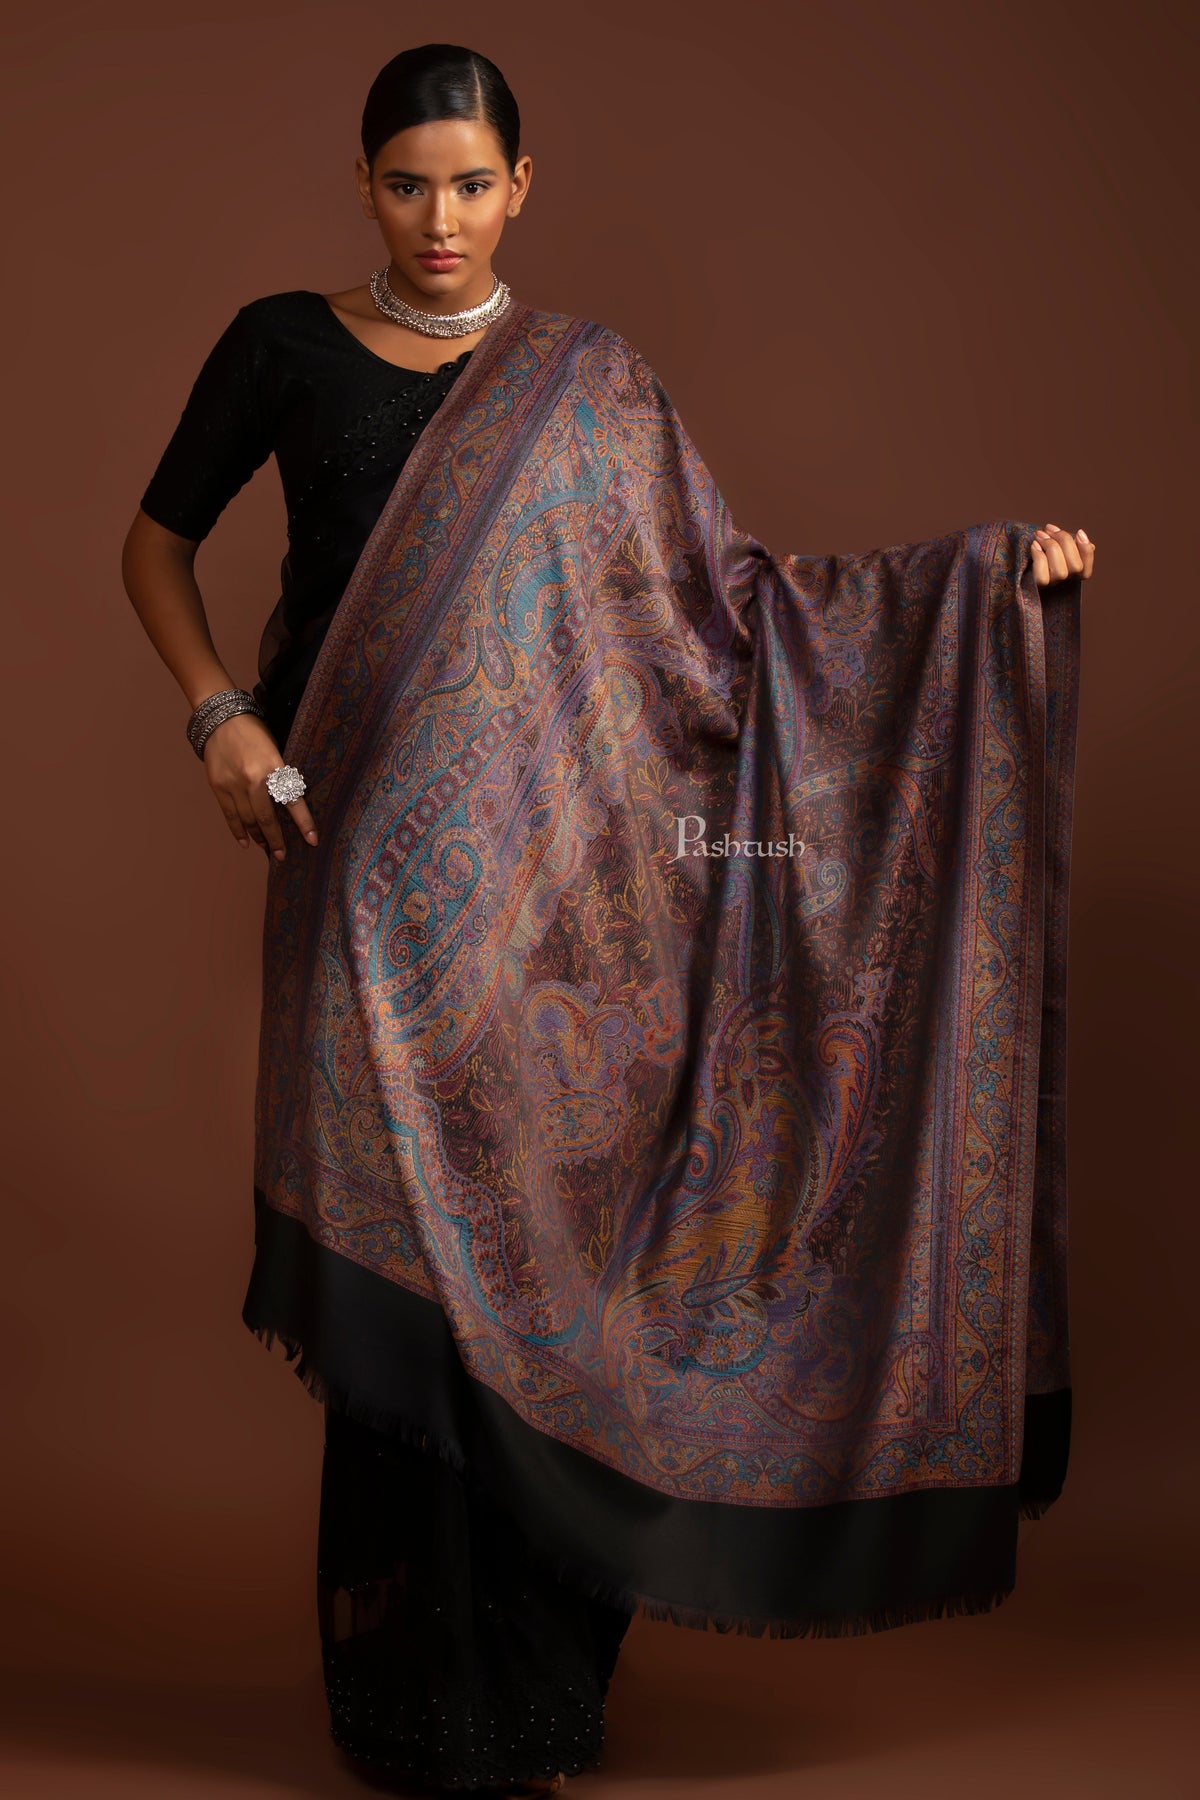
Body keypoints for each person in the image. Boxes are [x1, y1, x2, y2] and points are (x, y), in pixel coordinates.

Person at [121, 41, 1095, 1800]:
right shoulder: (280, 345)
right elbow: (153, 545)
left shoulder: (591, 388)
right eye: (406, 183)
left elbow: (734, 614)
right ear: (364, 184)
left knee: (538, 1269)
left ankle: (537, 1691)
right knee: (411, 1273)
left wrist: (978, 577)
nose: (439, 219)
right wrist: (219, 716)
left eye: (470, 185)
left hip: (568, 909)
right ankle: (411, 1697)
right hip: (352, 876)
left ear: (521, 188)